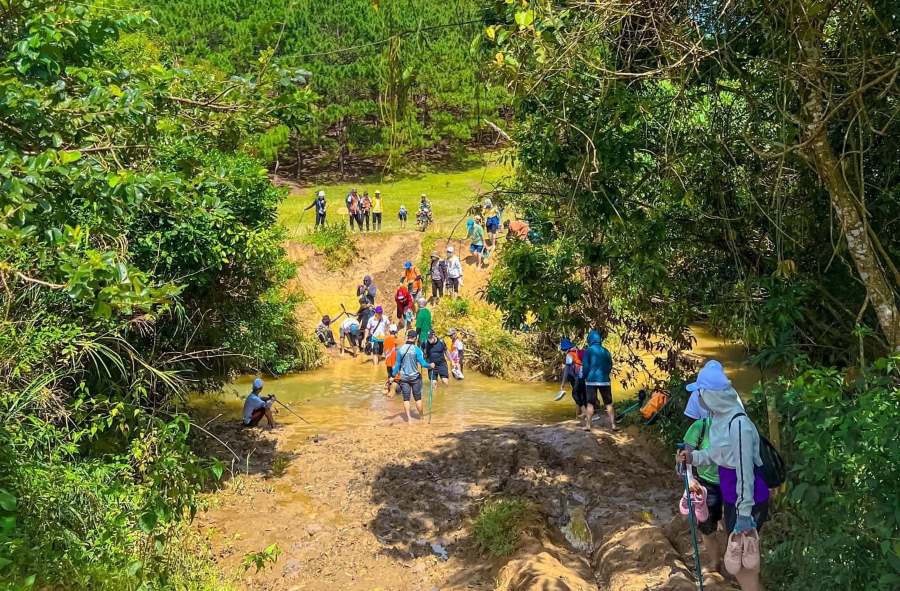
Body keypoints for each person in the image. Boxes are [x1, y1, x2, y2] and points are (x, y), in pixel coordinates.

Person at [677, 361, 768, 591]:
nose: (698, 398)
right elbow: (719, 453)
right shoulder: (721, 420)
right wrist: (694, 458)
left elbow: (745, 472)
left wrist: (744, 514)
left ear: (711, 396)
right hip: (733, 496)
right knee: (741, 561)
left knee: (744, 564)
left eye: (700, 393)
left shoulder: (739, 425)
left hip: (747, 498)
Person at [682, 398, 724, 573]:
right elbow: (686, 458)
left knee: (732, 526)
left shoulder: (736, 426)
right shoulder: (700, 427)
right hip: (708, 484)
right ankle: (715, 563)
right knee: (707, 527)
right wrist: (690, 480)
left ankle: (732, 564)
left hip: (733, 483)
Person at [391, 330, 435, 423]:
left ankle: (409, 419)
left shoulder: (401, 349)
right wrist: (430, 365)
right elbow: (423, 364)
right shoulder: (417, 349)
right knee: (418, 398)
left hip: (404, 378)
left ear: (407, 337)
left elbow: (397, 365)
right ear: (415, 338)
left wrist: (392, 376)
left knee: (406, 399)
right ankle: (422, 418)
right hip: (415, 377)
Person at [581, 329, 616, 431]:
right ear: (600, 340)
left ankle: (588, 425)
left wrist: (585, 376)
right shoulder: (606, 351)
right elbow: (610, 365)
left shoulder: (588, 351)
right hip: (605, 380)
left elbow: (585, 367)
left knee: (590, 403)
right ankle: (613, 425)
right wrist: (605, 374)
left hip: (591, 381)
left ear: (590, 339)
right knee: (608, 403)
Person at [560, 338, 586, 419]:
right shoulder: (579, 351)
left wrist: (563, 383)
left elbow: (566, 370)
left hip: (577, 377)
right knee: (581, 395)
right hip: (584, 377)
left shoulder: (569, 355)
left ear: (564, 349)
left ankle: (584, 412)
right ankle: (578, 416)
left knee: (575, 394)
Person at [383, 324, 399, 394]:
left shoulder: (386, 339)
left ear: (389, 331)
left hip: (388, 362)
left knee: (389, 376)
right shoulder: (396, 340)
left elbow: (384, 351)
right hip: (394, 362)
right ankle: (392, 392)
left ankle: (387, 389)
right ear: (396, 332)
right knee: (395, 378)